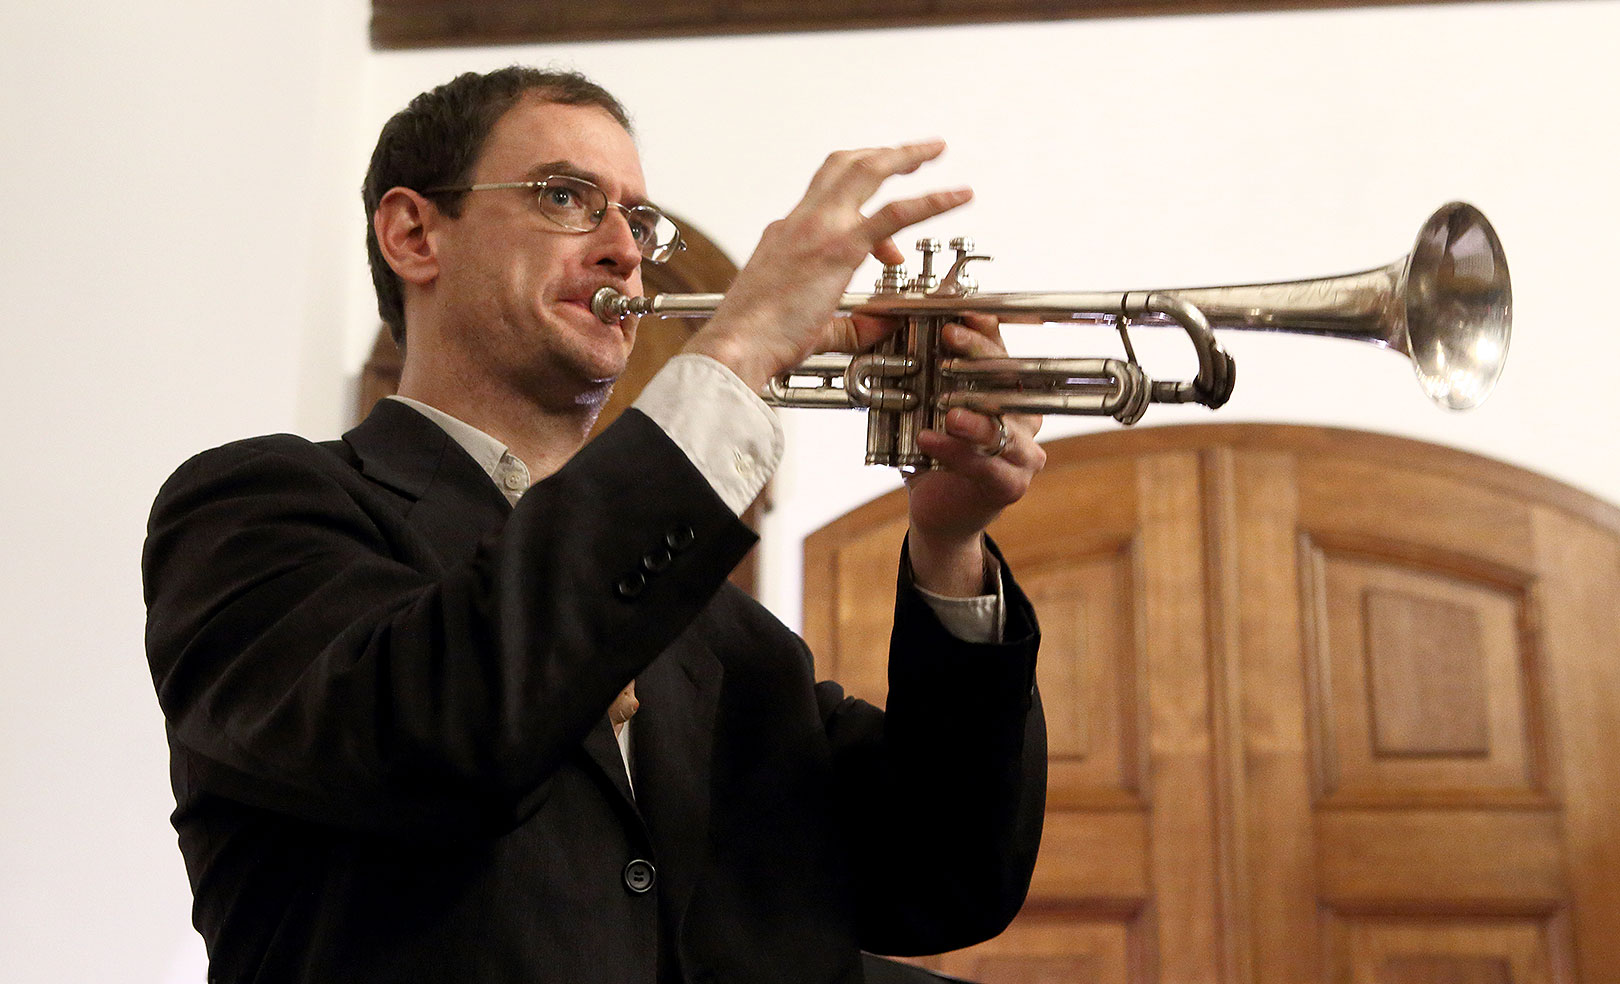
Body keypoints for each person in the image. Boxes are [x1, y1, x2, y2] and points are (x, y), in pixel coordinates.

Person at [144, 66, 1048, 984]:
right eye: (567, 197)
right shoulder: (255, 510)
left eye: (638, 221)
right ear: (415, 234)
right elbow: (440, 736)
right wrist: (735, 351)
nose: (625, 249)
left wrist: (949, 543)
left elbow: (946, 877)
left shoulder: (730, 641)